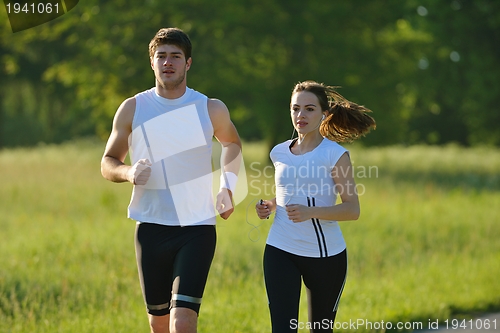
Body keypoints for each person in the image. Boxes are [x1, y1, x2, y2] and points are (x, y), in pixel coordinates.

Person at [101, 27, 242, 333]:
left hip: (197, 227)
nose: (168, 62)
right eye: (161, 56)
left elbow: (232, 144)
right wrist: (128, 172)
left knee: (183, 320)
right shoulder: (133, 108)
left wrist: (227, 188)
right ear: (151, 62)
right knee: (159, 324)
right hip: (150, 226)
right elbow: (108, 162)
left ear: (187, 63)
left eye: (175, 56)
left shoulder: (209, 108)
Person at [256, 80, 376, 333]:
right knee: (282, 329)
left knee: (320, 330)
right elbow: (288, 195)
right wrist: (270, 205)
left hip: (325, 257)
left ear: (324, 113)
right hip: (280, 249)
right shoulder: (279, 153)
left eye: (309, 109)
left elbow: (352, 209)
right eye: (295, 108)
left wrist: (311, 212)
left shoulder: (335, 154)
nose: (301, 115)